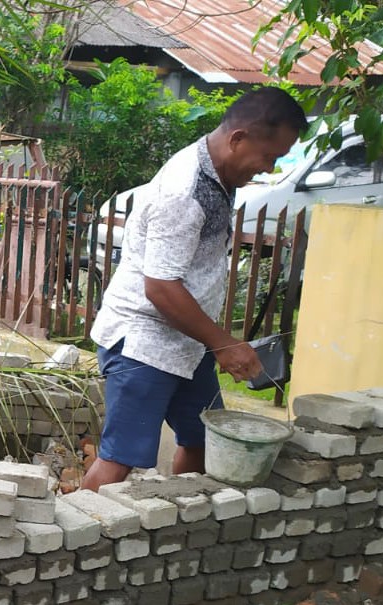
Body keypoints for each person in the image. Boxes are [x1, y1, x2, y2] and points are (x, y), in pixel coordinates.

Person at [81, 87, 307, 492]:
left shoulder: (217, 174)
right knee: (120, 458)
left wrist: (214, 342)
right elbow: (160, 287)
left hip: (187, 340)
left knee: (203, 440)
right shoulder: (184, 192)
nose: (269, 169)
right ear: (238, 139)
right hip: (144, 343)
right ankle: (79, 531)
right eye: (269, 156)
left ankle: (185, 517)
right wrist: (224, 344)